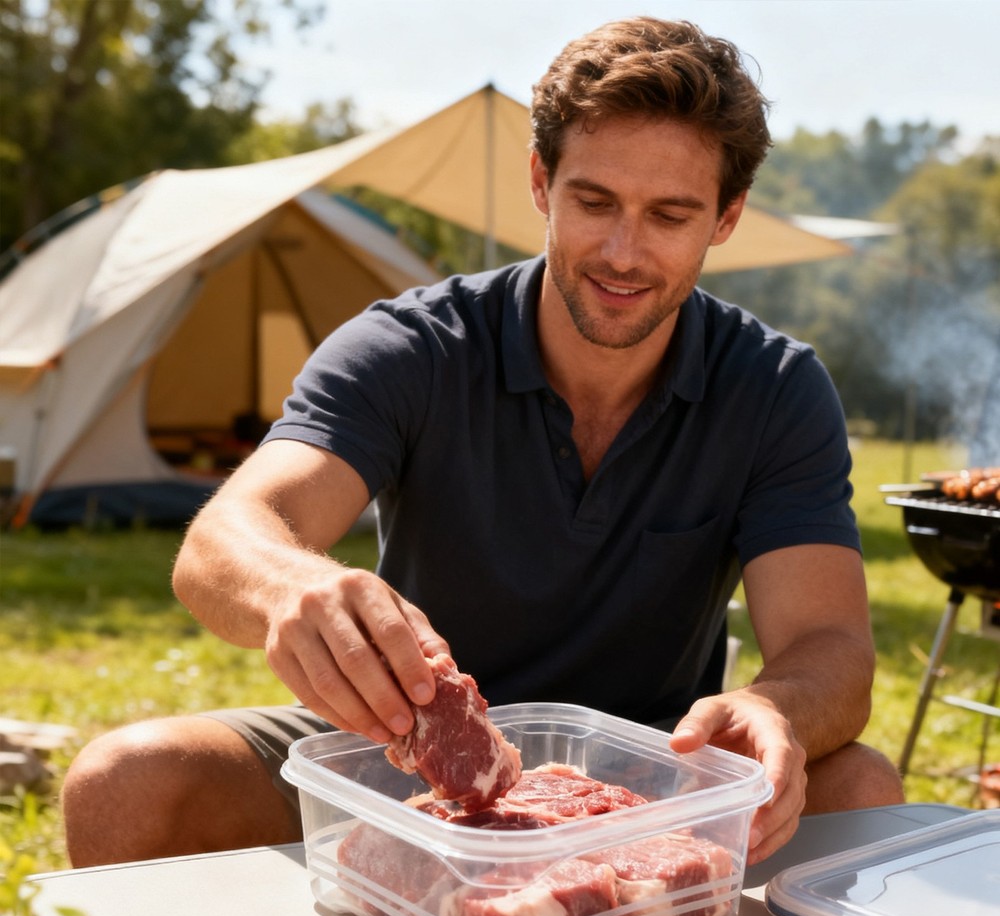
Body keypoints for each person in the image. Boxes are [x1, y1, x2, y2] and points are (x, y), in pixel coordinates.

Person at [62, 16, 904, 869]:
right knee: (125, 782)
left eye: (670, 215)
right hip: (402, 754)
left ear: (726, 218)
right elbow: (223, 538)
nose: (622, 252)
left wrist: (778, 707)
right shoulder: (411, 348)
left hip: (653, 774)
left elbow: (829, 644)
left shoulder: (774, 388)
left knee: (861, 787)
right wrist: (294, 588)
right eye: (594, 201)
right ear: (542, 182)